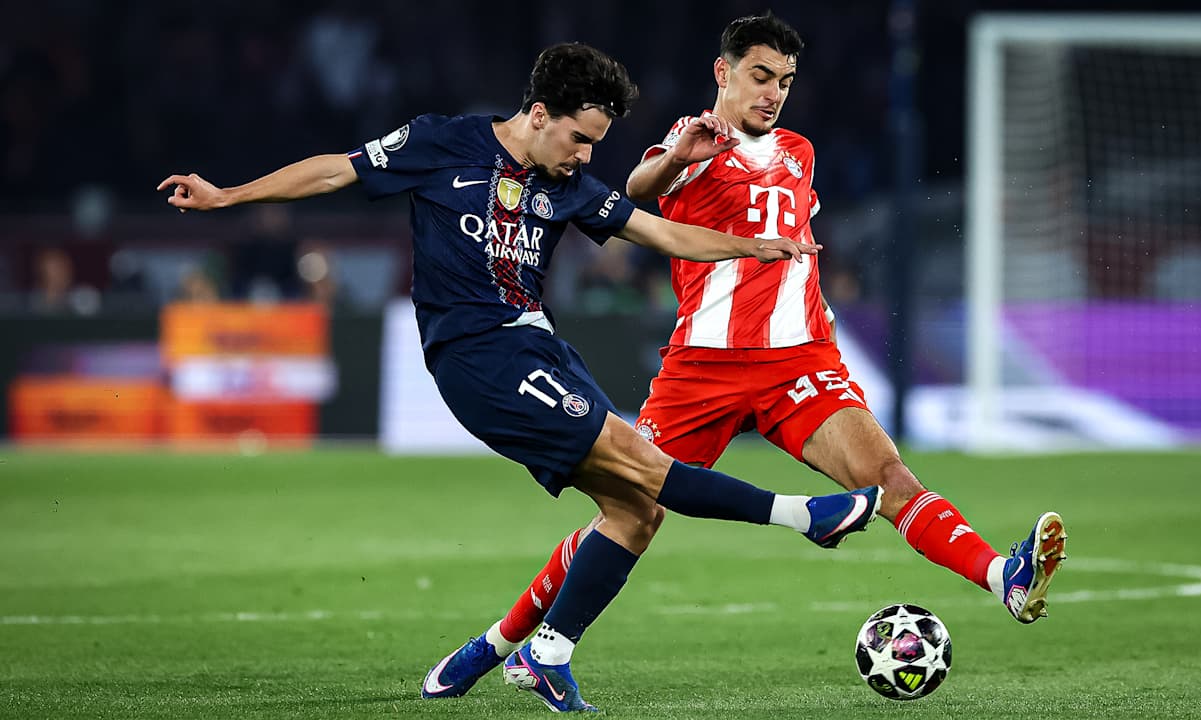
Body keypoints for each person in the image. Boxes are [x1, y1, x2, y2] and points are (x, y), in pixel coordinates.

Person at [157, 42, 882, 713]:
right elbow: (335, 170)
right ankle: (806, 517)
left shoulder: (568, 183)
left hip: (542, 350)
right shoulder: (442, 143)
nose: (585, 156)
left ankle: (526, 653)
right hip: (477, 356)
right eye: (579, 139)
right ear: (538, 115)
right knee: (642, 463)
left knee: (634, 510)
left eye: (595, 144)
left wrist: (752, 246)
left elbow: (659, 231)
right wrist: (228, 197)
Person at [422, 13, 1069, 705]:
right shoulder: (693, 139)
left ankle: (1004, 577)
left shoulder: (800, 151)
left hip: (799, 362)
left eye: (784, 81)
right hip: (702, 369)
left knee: (889, 479)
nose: (773, 93)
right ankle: (503, 646)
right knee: (631, 507)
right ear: (723, 72)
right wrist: (678, 158)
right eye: (761, 76)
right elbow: (638, 189)